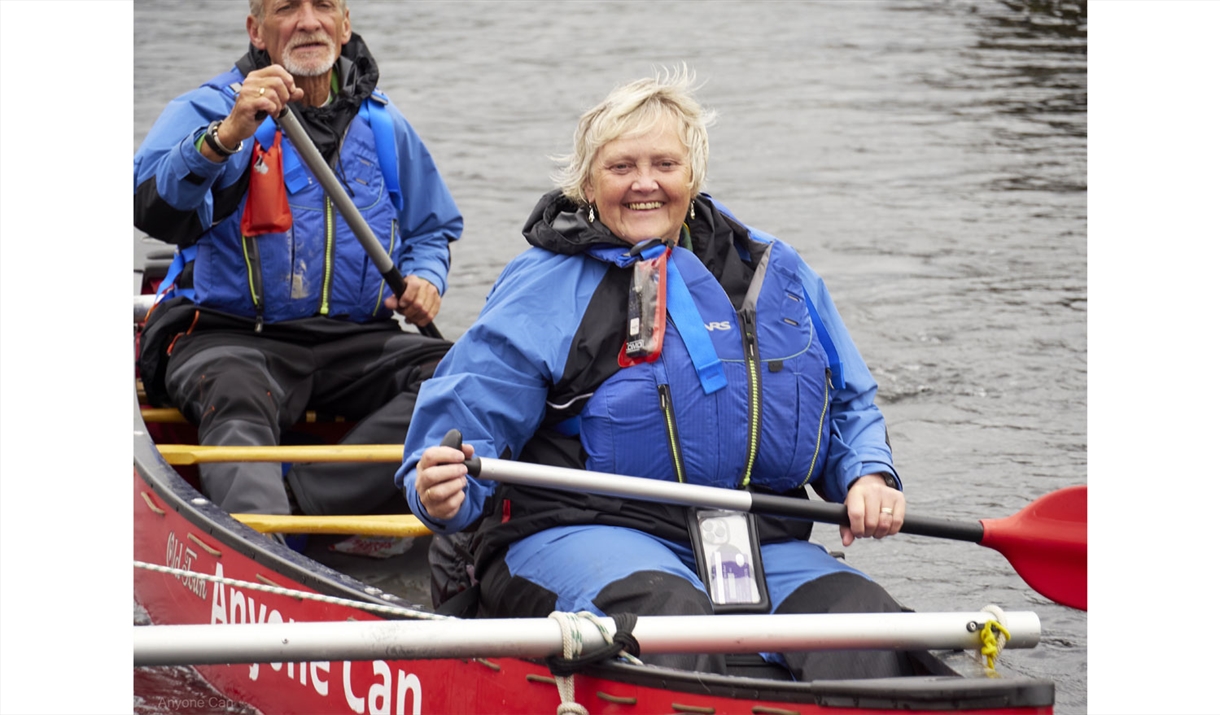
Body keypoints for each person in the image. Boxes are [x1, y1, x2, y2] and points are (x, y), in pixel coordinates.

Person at [397, 67, 914, 680]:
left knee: (871, 626)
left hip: (752, 542)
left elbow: (848, 401)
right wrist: (439, 490)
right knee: (672, 623)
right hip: (581, 531)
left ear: (692, 175)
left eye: (664, 165)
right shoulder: (546, 286)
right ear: (588, 182)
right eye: (621, 167)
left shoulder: (774, 270)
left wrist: (868, 474)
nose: (645, 184)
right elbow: (459, 425)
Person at [134, 0, 462, 519]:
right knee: (236, 396)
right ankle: (265, 544)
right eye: (287, 8)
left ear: (344, 24)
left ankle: (299, 503)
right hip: (229, 335)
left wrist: (425, 277)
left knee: (465, 379)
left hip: (353, 340)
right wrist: (224, 139)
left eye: (324, 6)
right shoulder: (210, 109)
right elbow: (147, 203)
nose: (309, 21)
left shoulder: (384, 124)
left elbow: (433, 228)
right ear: (256, 31)